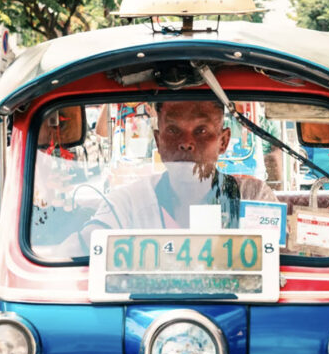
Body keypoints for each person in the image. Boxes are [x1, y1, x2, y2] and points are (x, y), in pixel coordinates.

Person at [62, 101, 276, 253]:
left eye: (201, 131)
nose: (186, 143)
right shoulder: (126, 204)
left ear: (223, 141)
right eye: (173, 130)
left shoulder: (254, 197)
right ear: (158, 140)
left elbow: (281, 260)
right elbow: (75, 249)